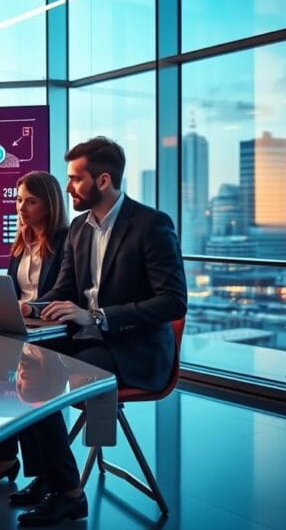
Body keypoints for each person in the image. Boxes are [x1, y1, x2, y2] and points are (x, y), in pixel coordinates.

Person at [13, 137, 187, 527]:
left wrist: (97, 316)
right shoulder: (79, 228)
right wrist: (32, 306)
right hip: (92, 342)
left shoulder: (151, 225)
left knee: (42, 376)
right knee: (23, 366)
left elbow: (173, 302)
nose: (69, 187)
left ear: (103, 179)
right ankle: (49, 478)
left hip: (136, 350)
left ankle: (69, 494)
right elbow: (64, 290)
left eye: (75, 179)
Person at [0, 171, 68, 487]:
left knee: (22, 373)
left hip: (53, 327)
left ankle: (38, 472)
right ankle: (4, 456)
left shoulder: (67, 241)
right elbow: (11, 292)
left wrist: (32, 308)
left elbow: (67, 291)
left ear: (49, 204)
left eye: (31, 201)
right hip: (23, 325)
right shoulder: (20, 245)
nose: (21, 208)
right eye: (18, 200)